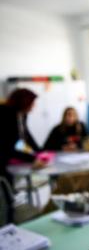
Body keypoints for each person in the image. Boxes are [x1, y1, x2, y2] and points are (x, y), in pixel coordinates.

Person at [0, 88, 43, 223]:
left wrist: (38, 151)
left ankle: (10, 220)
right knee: (5, 194)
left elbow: (26, 136)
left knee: (9, 194)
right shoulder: (6, 114)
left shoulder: (22, 114)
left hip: (7, 154)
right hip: (2, 157)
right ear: (23, 103)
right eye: (32, 103)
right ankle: (7, 224)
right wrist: (32, 158)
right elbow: (9, 146)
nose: (33, 107)